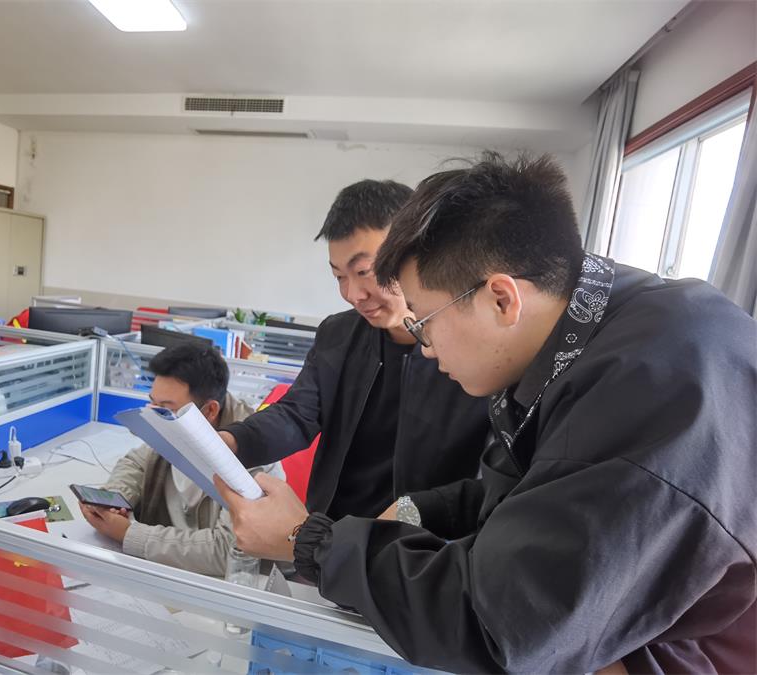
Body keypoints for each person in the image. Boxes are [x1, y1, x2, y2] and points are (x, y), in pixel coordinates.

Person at [217, 152, 757, 673]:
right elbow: (521, 490)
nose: (425, 347)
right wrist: (410, 511)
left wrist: (306, 542)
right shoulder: (578, 328)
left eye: (424, 320)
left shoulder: (655, 384)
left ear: (501, 298)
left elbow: (503, 621)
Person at [218, 179, 489, 521]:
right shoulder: (338, 333)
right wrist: (233, 441)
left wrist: (412, 515)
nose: (352, 294)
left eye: (364, 272)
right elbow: (298, 414)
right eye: (339, 277)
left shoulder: (471, 351)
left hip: (417, 542)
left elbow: (485, 480)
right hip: (328, 528)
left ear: (414, 252)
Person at [81, 343, 282, 577]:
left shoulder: (254, 456)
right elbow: (135, 462)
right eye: (153, 403)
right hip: (164, 569)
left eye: (164, 409)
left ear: (210, 411)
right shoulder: (173, 425)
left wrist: (129, 534)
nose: (154, 415)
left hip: (223, 584)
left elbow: (227, 551)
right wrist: (115, 500)